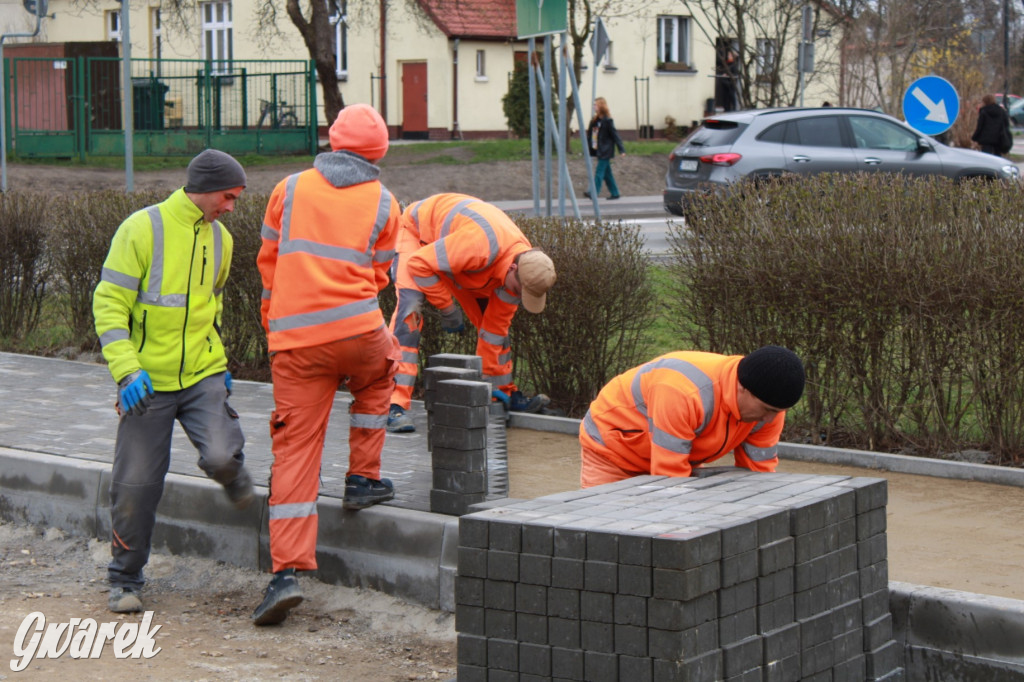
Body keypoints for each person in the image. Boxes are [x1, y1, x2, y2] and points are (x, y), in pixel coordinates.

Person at [253, 103, 402, 626]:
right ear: (379, 154)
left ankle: (285, 574)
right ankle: (363, 478)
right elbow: (381, 276)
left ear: (332, 143)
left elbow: (268, 264)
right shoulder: (385, 202)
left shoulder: (288, 189)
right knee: (383, 374)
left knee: (295, 448)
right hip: (359, 331)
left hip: (294, 343)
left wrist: (275, 320)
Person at [93, 149, 254, 614]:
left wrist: (220, 362)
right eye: (228, 196)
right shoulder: (141, 229)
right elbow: (109, 305)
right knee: (135, 486)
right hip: (147, 382)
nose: (231, 207)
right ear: (204, 188)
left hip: (202, 374)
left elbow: (212, 307)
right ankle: (125, 580)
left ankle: (233, 474)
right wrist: (126, 370)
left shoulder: (221, 239)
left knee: (223, 456)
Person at [385, 193, 557, 433]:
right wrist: (447, 308)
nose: (517, 297)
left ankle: (503, 393)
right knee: (410, 314)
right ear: (513, 269)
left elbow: (493, 332)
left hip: (453, 254)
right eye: (518, 290)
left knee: (497, 332)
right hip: (418, 237)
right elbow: (419, 265)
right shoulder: (479, 246)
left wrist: (487, 386)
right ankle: (392, 404)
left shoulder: (524, 268)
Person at [579, 346, 805, 488]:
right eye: (766, 409)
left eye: (777, 412)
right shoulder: (684, 391)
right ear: (741, 388)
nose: (769, 419)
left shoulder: (770, 411)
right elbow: (671, 480)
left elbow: (758, 477)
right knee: (605, 530)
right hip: (614, 449)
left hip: (670, 455)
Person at [584, 97, 626, 201]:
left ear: (601, 106)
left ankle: (594, 193)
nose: (594, 107)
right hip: (598, 149)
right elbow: (591, 135)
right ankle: (615, 193)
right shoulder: (595, 120)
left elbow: (615, 135)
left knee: (599, 172)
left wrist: (621, 149)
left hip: (606, 150)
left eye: (596, 105)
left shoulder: (607, 121)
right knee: (607, 174)